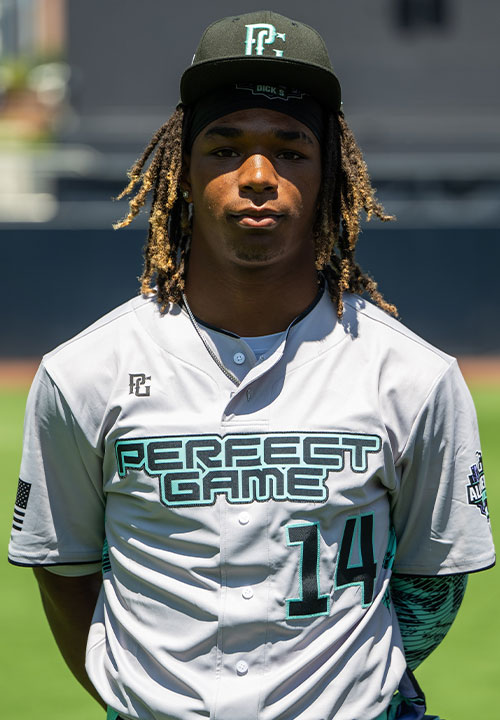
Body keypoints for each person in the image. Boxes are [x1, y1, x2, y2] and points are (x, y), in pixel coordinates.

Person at [8, 10, 495, 720]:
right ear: (183, 171)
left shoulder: (414, 377)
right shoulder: (82, 373)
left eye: (291, 151)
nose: (259, 176)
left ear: (329, 175)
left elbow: (432, 590)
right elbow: (65, 571)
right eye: (225, 148)